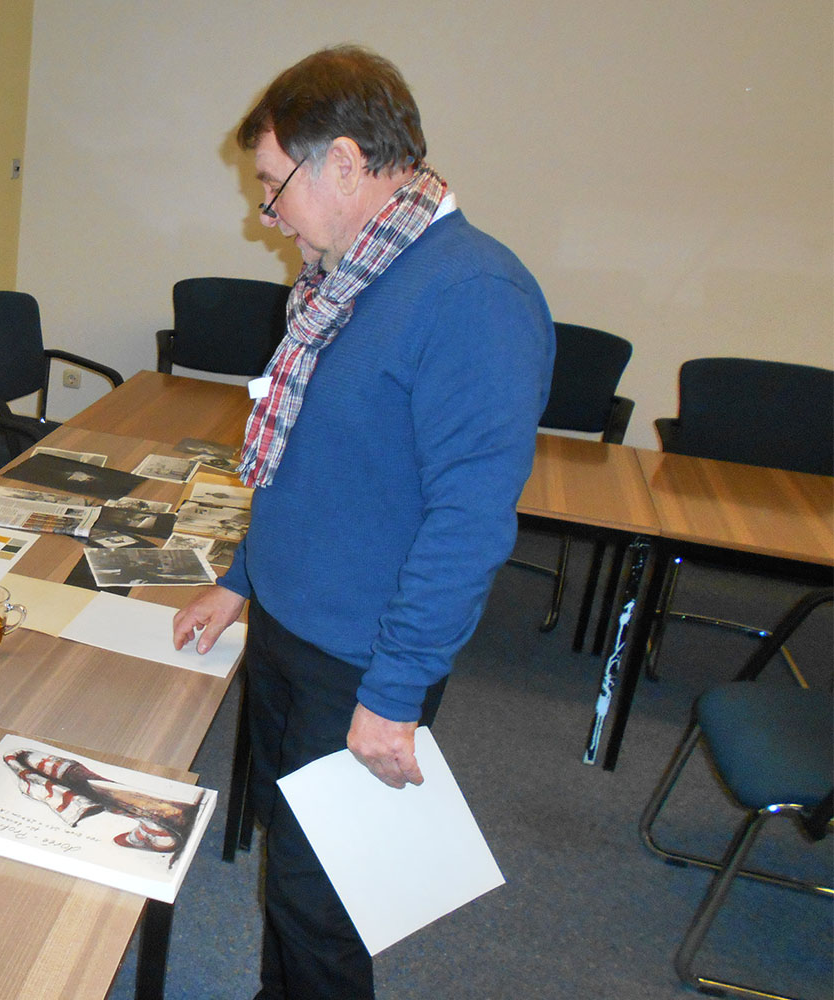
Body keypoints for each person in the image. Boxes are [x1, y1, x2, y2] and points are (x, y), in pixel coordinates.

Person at [171, 46, 553, 999]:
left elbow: (468, 522)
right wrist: (241, 580)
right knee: (289, 878)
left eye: (273, 185)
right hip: (293, 627)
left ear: (344, 163)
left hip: (362, 660)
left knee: (324, 901)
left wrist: (396, 692)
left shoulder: (473, 295)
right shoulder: (347, 281)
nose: (265, 211)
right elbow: (309, 466)